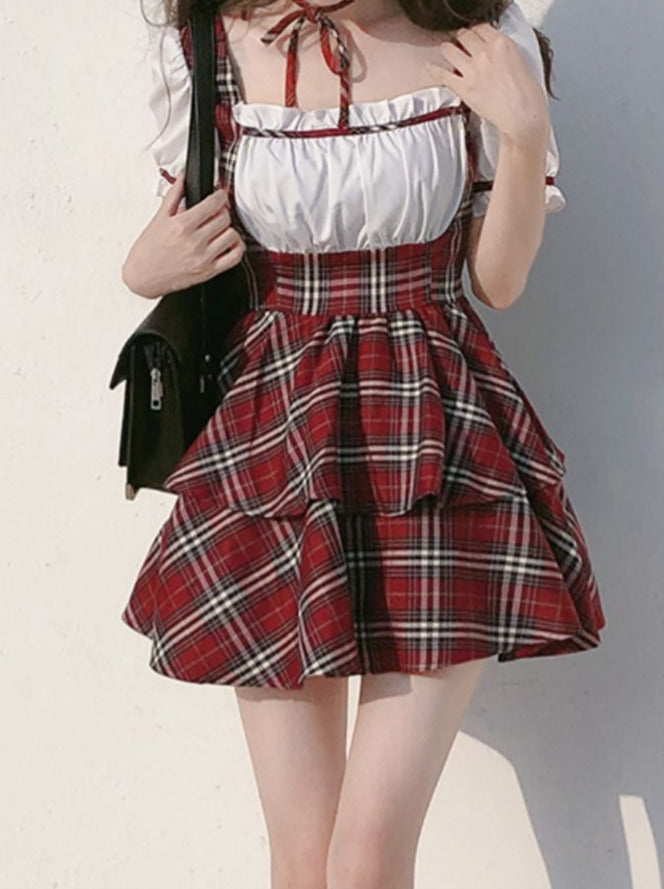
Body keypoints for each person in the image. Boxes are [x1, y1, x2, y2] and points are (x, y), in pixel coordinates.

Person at [119, 1, 606, 885]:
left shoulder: (478, 37)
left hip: (437, 441)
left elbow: (497, 282)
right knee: (304, 860)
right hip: (274, 449)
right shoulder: (206, 43)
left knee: (367, 860)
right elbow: (182, 237)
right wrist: (140, 271)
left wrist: (525, 133)